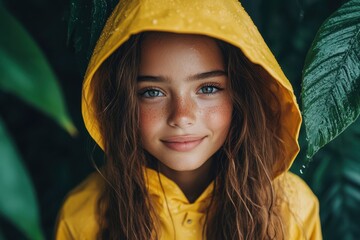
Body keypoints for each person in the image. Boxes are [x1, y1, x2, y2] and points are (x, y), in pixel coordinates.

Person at [56, 0, 322, 239]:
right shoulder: (84, 217)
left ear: (242, 96)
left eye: (207, 88)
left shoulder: (293, 210)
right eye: (152, 92)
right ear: (122, 103)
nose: (182, 117)